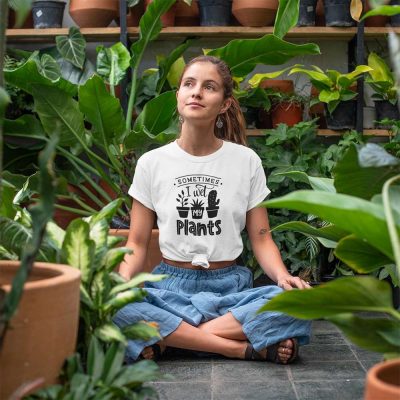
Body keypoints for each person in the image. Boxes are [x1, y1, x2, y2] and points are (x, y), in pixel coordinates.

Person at [114, 55, 311, 364]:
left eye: (209, 87)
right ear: (178, 95)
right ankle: (239, 347)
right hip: (169, 288)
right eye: (189, 84)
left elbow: (261, 237)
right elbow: (137, 242)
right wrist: (121, 283)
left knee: (299, 302)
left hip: (230, 287)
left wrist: (284, 277)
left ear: (224, 104)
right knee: (118, 308)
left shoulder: (246, 161)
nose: (196, 92)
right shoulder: (151, 163)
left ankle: (172, 341)